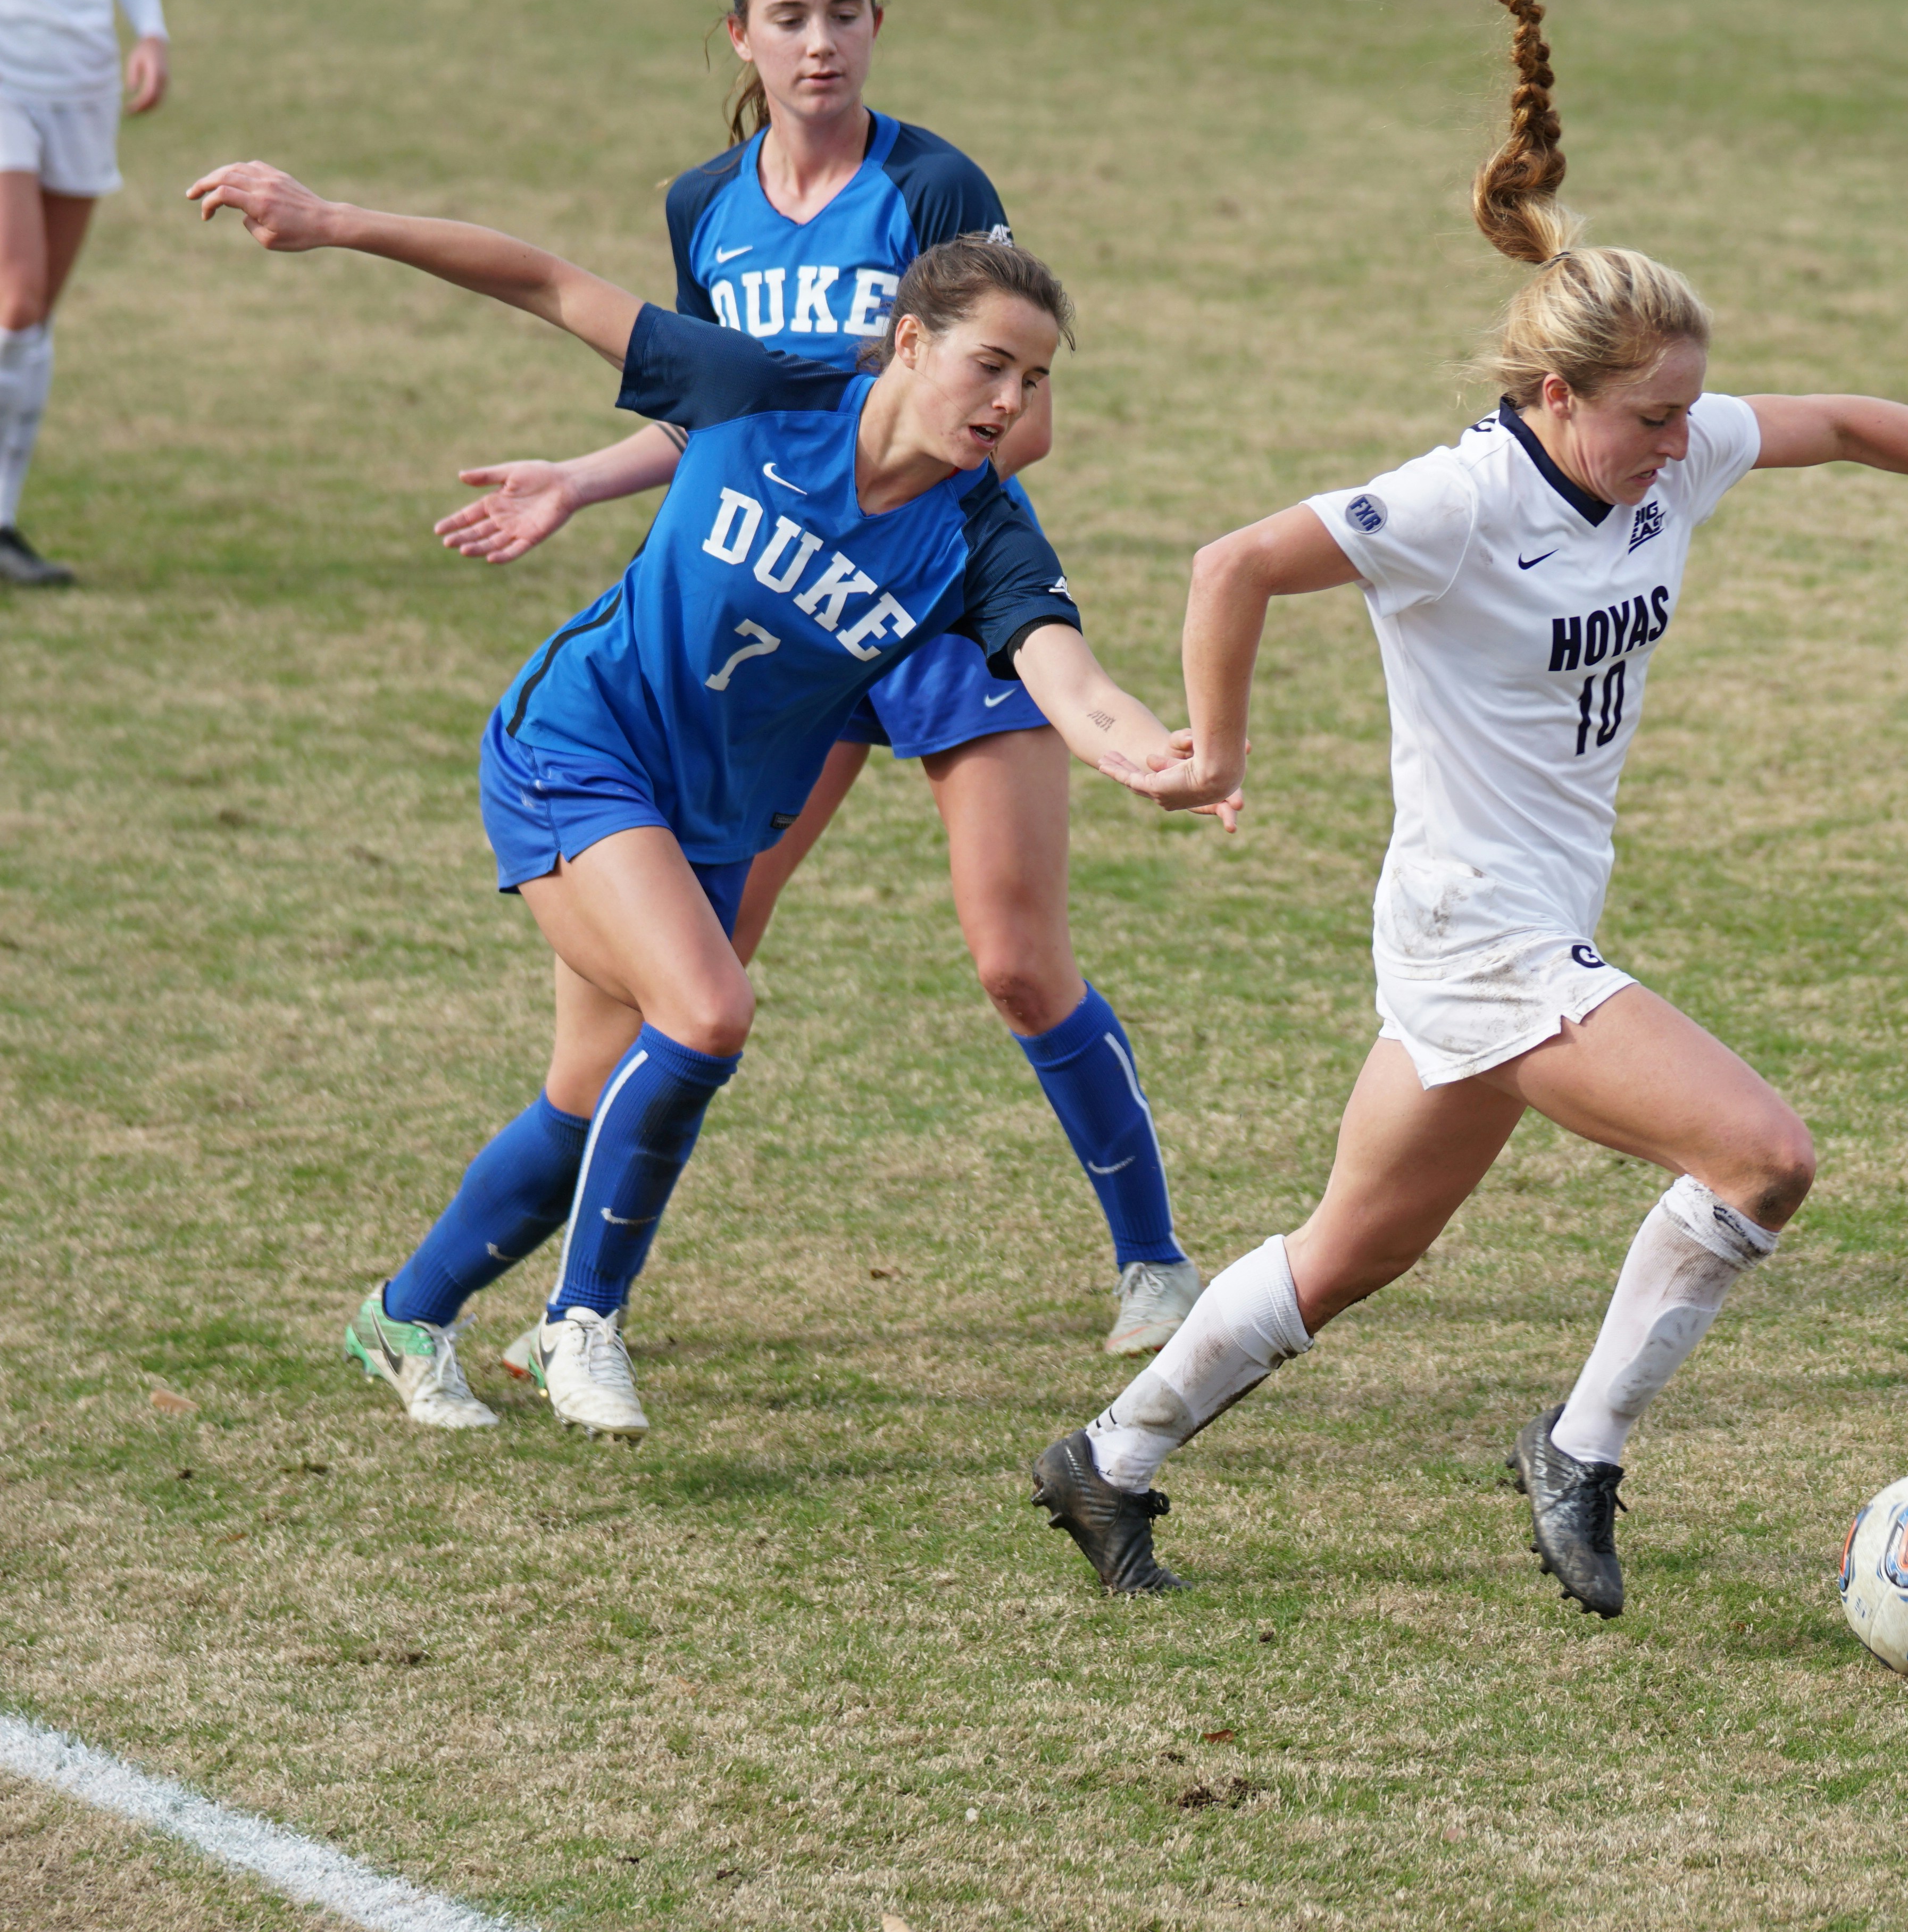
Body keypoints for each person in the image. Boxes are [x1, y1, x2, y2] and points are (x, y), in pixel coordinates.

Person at [1022, 0, 1908, 1609]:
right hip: (1480, 930)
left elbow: (1842, 423)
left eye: (1689, 411)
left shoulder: (1671, 455)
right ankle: (1581, 1447)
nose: (1681, 443)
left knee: (1354, 1251)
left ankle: (1106, 1459)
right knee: (1763, 1156)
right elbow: (1232, 562)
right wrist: (1212, 755)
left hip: (1519, 917)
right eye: (1650, 418)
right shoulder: (1458, 504)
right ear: (1557, 398)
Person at [187, 157, 1228, 1440]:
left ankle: (405, 1314)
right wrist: (334, 221)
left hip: (721, 817)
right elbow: (548, 283)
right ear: (910, 344)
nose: (1013, 401)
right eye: (992, 366)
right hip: (581, 745)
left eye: (1038, 378)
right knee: (709, 1009)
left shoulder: (984, 533)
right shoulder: (760, 388)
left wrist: (1156, 756)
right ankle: (581, 1320)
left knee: (589, 1099)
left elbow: (1068, 675)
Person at [432, 0, 1203, 1364]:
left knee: (1015, 958)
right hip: (796, 613)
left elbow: (1014, 414)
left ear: (877, 26)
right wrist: (581, 478)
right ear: (740, 38)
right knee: (700, 968)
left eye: (845, 13)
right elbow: (717, 411)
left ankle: (1155, 1265)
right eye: (790, 17)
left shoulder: (934, 184)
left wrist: (918, 505)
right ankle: (580, 1306)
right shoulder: (704, 205)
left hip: (928, 600)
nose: (820, 43)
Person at [0, 0, 168, 585]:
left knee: (32, 324)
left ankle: (4, 523)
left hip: (83, 77)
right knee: (17, 301)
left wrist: (152, 32)